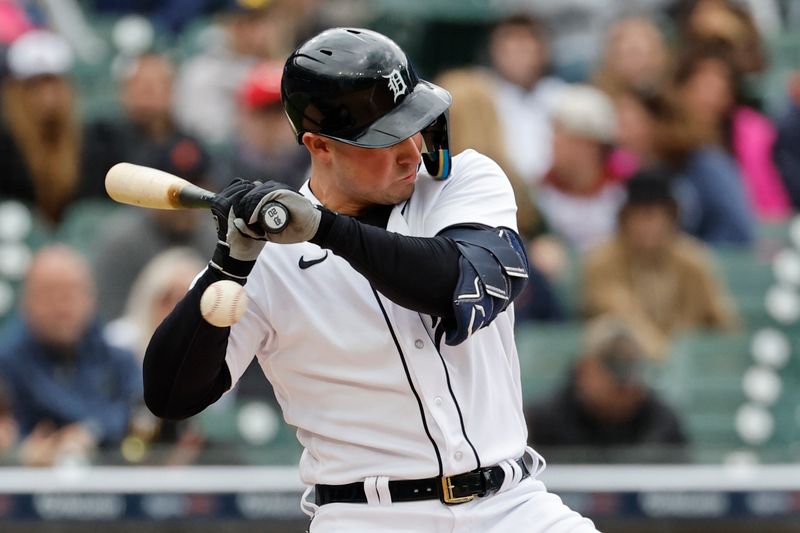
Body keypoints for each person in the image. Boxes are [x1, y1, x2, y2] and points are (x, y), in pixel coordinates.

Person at [144, 27, 598, 532]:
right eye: (385, 138)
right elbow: (171, 396)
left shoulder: (464, 183)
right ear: (319, 145)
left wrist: (324, 228)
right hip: (368, 516)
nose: (411, 149)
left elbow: (457, 286)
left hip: (513, 508)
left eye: (414, 124)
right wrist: (230, 263)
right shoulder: (268, 263)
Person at [0, 245, 141, 466]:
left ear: (91, 299)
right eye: (48, 294)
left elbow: (139, 412)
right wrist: (19, 451)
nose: (61, 306)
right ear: (25, 303)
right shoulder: (6, 363)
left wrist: (90, 432)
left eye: (71, 293)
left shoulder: (117, 358)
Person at [582, 172, 740, 359]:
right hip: (626, 369)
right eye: (639, 216)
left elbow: (723, 321)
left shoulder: (693, 261)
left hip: (689, 361)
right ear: (625, 218)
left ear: (670, 217)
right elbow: (621, 313)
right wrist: (663, 353)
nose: (647, 225)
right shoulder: (602, 262)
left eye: (654, 216)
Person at [526, 315, 688, 463]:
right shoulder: (544, 421)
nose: (627, 385)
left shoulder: (661, 422)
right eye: (614, 368)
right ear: (586, 369)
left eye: (632, 369)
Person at [92, 135, 217, 320]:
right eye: (177, 190)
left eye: (195, 183)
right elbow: (108, 321)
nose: (186, 201)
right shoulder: (122, 242)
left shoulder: (217, 240)